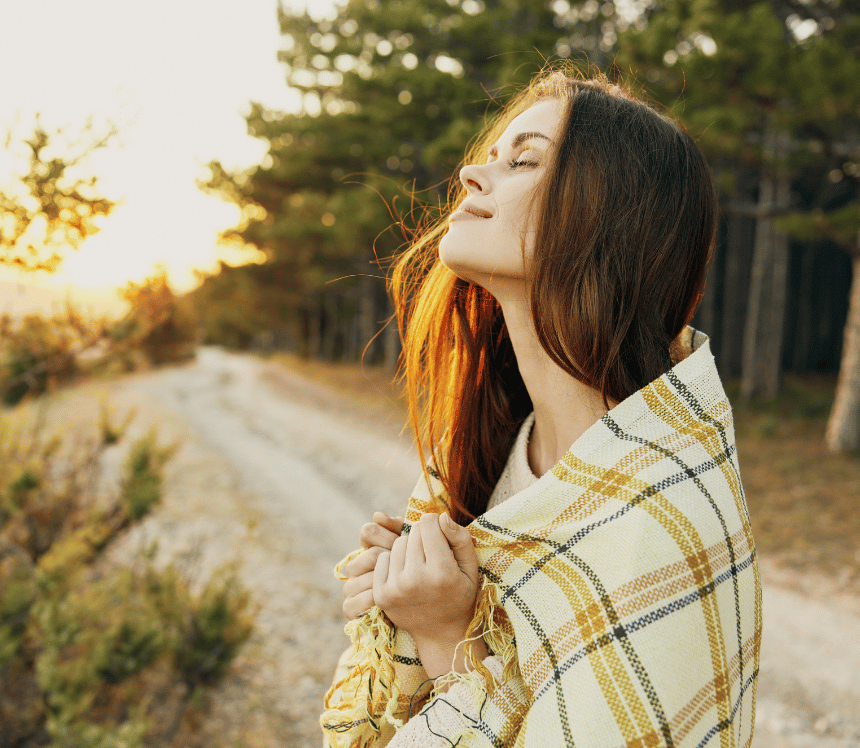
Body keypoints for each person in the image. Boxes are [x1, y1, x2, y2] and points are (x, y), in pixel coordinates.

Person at [321, 68, 762, 748]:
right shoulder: (489, 446)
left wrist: (443, 634)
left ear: (607, 216)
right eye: (492, 154)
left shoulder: (660, 522)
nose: (470, 173)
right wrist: (405, 601)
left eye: (522, 160)